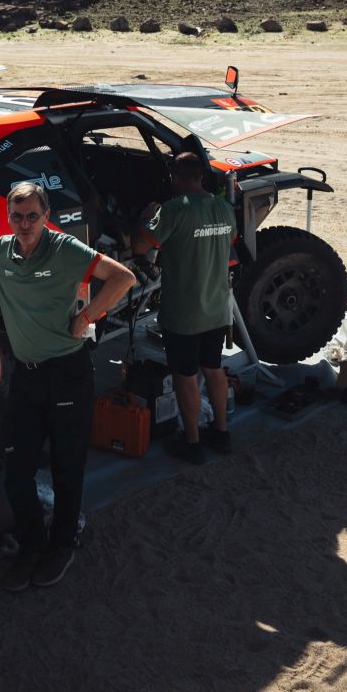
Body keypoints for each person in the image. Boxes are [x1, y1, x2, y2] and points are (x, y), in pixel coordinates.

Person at [0, 182, 135, 592]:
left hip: (67, 374)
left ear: (45, 216)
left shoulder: (64, 249)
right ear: (8, 218)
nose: (25, 224)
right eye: (17, 216)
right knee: (17, 469)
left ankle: (61, 544)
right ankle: (31, 544)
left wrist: (87, 317)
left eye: (32, 216)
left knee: (66, 465)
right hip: (26, 376)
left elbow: (123, 277)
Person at [133, 152, 238, 464]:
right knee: (213, 367)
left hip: (184, 313)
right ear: (201, 177)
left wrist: (145, 217)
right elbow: (231, 239)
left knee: (185, 375)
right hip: (217, 307)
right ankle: (221, 433)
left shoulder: (173, 209)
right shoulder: (223, 208)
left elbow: (141, 245)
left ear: (175, 178)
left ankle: (191, 442)